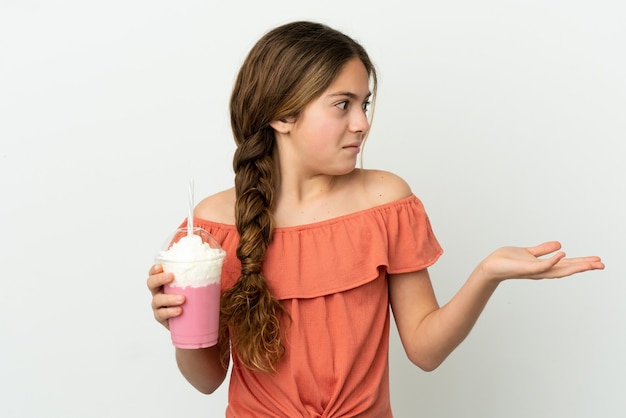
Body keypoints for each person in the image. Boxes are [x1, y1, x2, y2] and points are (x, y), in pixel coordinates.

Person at [147, 20, 604, 417]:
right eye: (342, 104)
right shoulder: (211, 228)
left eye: (364, 104)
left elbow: (425, 350)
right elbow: (207, 379)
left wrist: (488, 273)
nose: (362, 123)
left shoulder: (385, 202)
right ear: (282, 115)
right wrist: (180, 323)